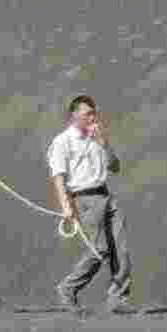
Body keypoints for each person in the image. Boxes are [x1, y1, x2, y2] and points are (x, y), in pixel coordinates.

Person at [47, 96, 130, 313]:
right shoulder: (63, 141)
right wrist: (66, 207)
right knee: (99, 249)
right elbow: (58, 176)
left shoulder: (96, 138)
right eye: (87, 114)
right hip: (84, 199)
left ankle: (117, 298)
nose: (93, 118)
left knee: (120, 248)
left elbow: (115, 166)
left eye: (94, 113)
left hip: (106, 195)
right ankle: (67, 288)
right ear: (74, 115)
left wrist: (103, 142)